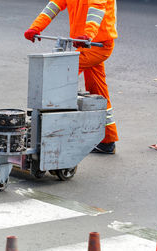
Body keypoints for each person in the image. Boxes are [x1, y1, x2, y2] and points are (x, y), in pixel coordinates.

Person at [24, 0, 119, 154]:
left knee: (58, 78)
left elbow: (97, 8)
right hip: (83, 43)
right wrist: (36, 26)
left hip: (97, 44)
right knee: (98, 90)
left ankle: (48, 133)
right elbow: (55, 5)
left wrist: (88, 34)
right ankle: (107, 141)